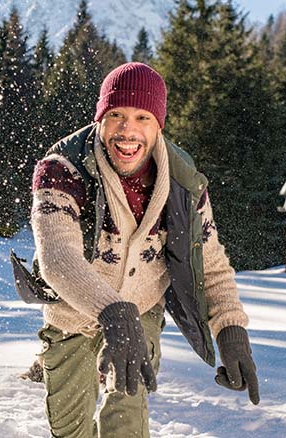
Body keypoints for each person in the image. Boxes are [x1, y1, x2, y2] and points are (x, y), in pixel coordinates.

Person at [28, 62, 259, 437]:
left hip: (142, 306)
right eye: (116, 114)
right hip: (72, 313)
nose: (127, 130)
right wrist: (112, 312)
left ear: (158, 125)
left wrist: (231, 330)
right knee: (70, 429)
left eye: (142, 117)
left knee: (128, 422)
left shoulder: (185, 184)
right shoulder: (63, 169)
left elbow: (211, 264)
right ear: (101, 118)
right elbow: (58, 258)